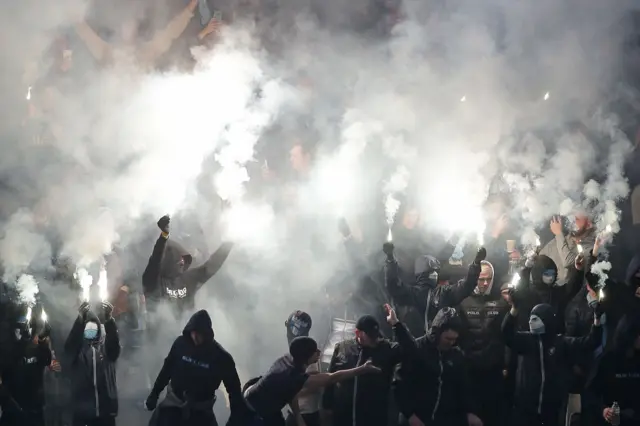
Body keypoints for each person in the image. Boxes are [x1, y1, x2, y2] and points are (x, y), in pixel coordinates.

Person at [502, 295, 603, 426]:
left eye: (537, 317)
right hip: (525, 408)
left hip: (551, 409)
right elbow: (506, 333)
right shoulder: (525, 340)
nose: (532, 321)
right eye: (532, 317)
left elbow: (590, 342)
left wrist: (597, 319)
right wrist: (514, 309)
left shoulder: (561, 343)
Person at [243, 336, 381, 426]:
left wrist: (298, 415)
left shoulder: (290, 359)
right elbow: (333, 377)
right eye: (315, 351)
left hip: (260, 399)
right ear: (306, 357)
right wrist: (361, 369)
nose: (319, 352)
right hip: (255, 412)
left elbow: (291, 392)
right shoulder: (294, 376)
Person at [145, 310, 245, 426]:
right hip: (174, 405)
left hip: (201, 412)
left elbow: (234, 391)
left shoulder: (221, 357)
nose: (196, 337)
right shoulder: (180, 344)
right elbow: (166, 370)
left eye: (200, 334)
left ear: (207, 333)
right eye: (194, 333)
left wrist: (236, 417)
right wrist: (154, 394)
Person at [391, 306, 482, 426]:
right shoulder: (418, 349)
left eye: (454, 339)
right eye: (448, 338)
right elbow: (399, 385)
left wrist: (470, 411)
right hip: (417, 419)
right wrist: (410, 415)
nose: (451, 342)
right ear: (437, 333)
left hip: (445, 419)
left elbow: (463, 386)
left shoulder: (456, 355)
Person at [142, 215, 234, 317]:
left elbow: (210, 266)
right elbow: (155, 259)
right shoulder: (153, 280)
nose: (182, 262)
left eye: (183, 259)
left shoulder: (188, 279)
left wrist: (229, 242)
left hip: (185, 330)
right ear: (169, 259)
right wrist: (163, 236)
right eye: (178, 258)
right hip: (158, 331)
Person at [384, 242, 485, 333]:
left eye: (436, 272)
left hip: (437, 347)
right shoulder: (411, 293)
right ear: (423, 273)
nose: (435, 274)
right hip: (413, 346)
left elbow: (467, 286)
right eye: (433, 271)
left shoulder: (444, 293)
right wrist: (390, 260)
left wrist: (476, 264)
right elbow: (392, 283)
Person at [322, 314, 403, 426]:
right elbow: (330, 378)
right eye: (369, 336)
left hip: (373, 418)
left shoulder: (387, 349)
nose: (374, 339)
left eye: (375, 335)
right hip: (344, 416)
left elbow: (411, 349)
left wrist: (396, 325)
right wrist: (327, 406)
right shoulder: (342, 348)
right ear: (358, 333)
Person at [457, 260, 510, 426]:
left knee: (494, 416)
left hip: (493, 371)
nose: (485, 283)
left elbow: (507, 335)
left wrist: (506, 365)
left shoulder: (502, 302)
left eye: (489, 278)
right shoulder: (461, 301)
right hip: (468, 370)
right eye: (481, 279)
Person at [64, 301, 120, 426]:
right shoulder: (78, 353)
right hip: (83, 414)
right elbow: (70, 347)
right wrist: (79, 320)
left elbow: (114, 345)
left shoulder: (107, 351)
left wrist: (109, 320)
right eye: (88, 327)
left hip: (106, 413)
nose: (91, 329)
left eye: (94, 327)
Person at [584, 315, 640, 426]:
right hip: (612, 420)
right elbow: (589, 393)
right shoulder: (608, 360)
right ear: (629, 334)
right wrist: (603, 410)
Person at [0, 307, 52, 426]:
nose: (23, 330)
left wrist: (43, 341)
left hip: (34, 412)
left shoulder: (35, 349)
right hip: (13, 413)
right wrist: (10, 404)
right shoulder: (5, 351)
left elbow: (47, 360)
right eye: (19, 327)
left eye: (26, 326)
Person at [282, 311, 319, 426]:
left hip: (305, 415)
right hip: (298, 413)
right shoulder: (300, 349)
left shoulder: (306, 352)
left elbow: (313, 384)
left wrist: (284, 391)